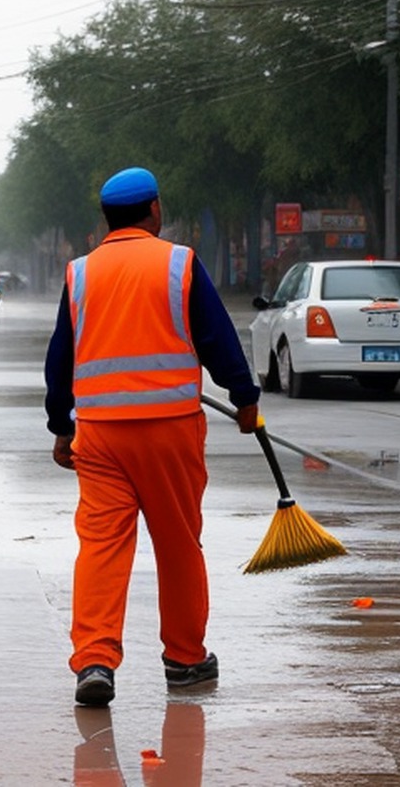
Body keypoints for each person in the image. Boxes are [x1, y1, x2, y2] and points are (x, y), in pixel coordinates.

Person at [44, 166, 260, 708]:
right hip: (170, 432)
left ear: (105, 218)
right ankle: (185, 660)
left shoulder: (80, 273)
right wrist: (244, 398)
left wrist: (60, 426)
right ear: (155, 209)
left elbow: (59, 360)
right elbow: (217, 339)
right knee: (178, 544)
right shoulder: (180, 264)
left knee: (101, 547)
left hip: (99, 438)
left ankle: (94, 660)